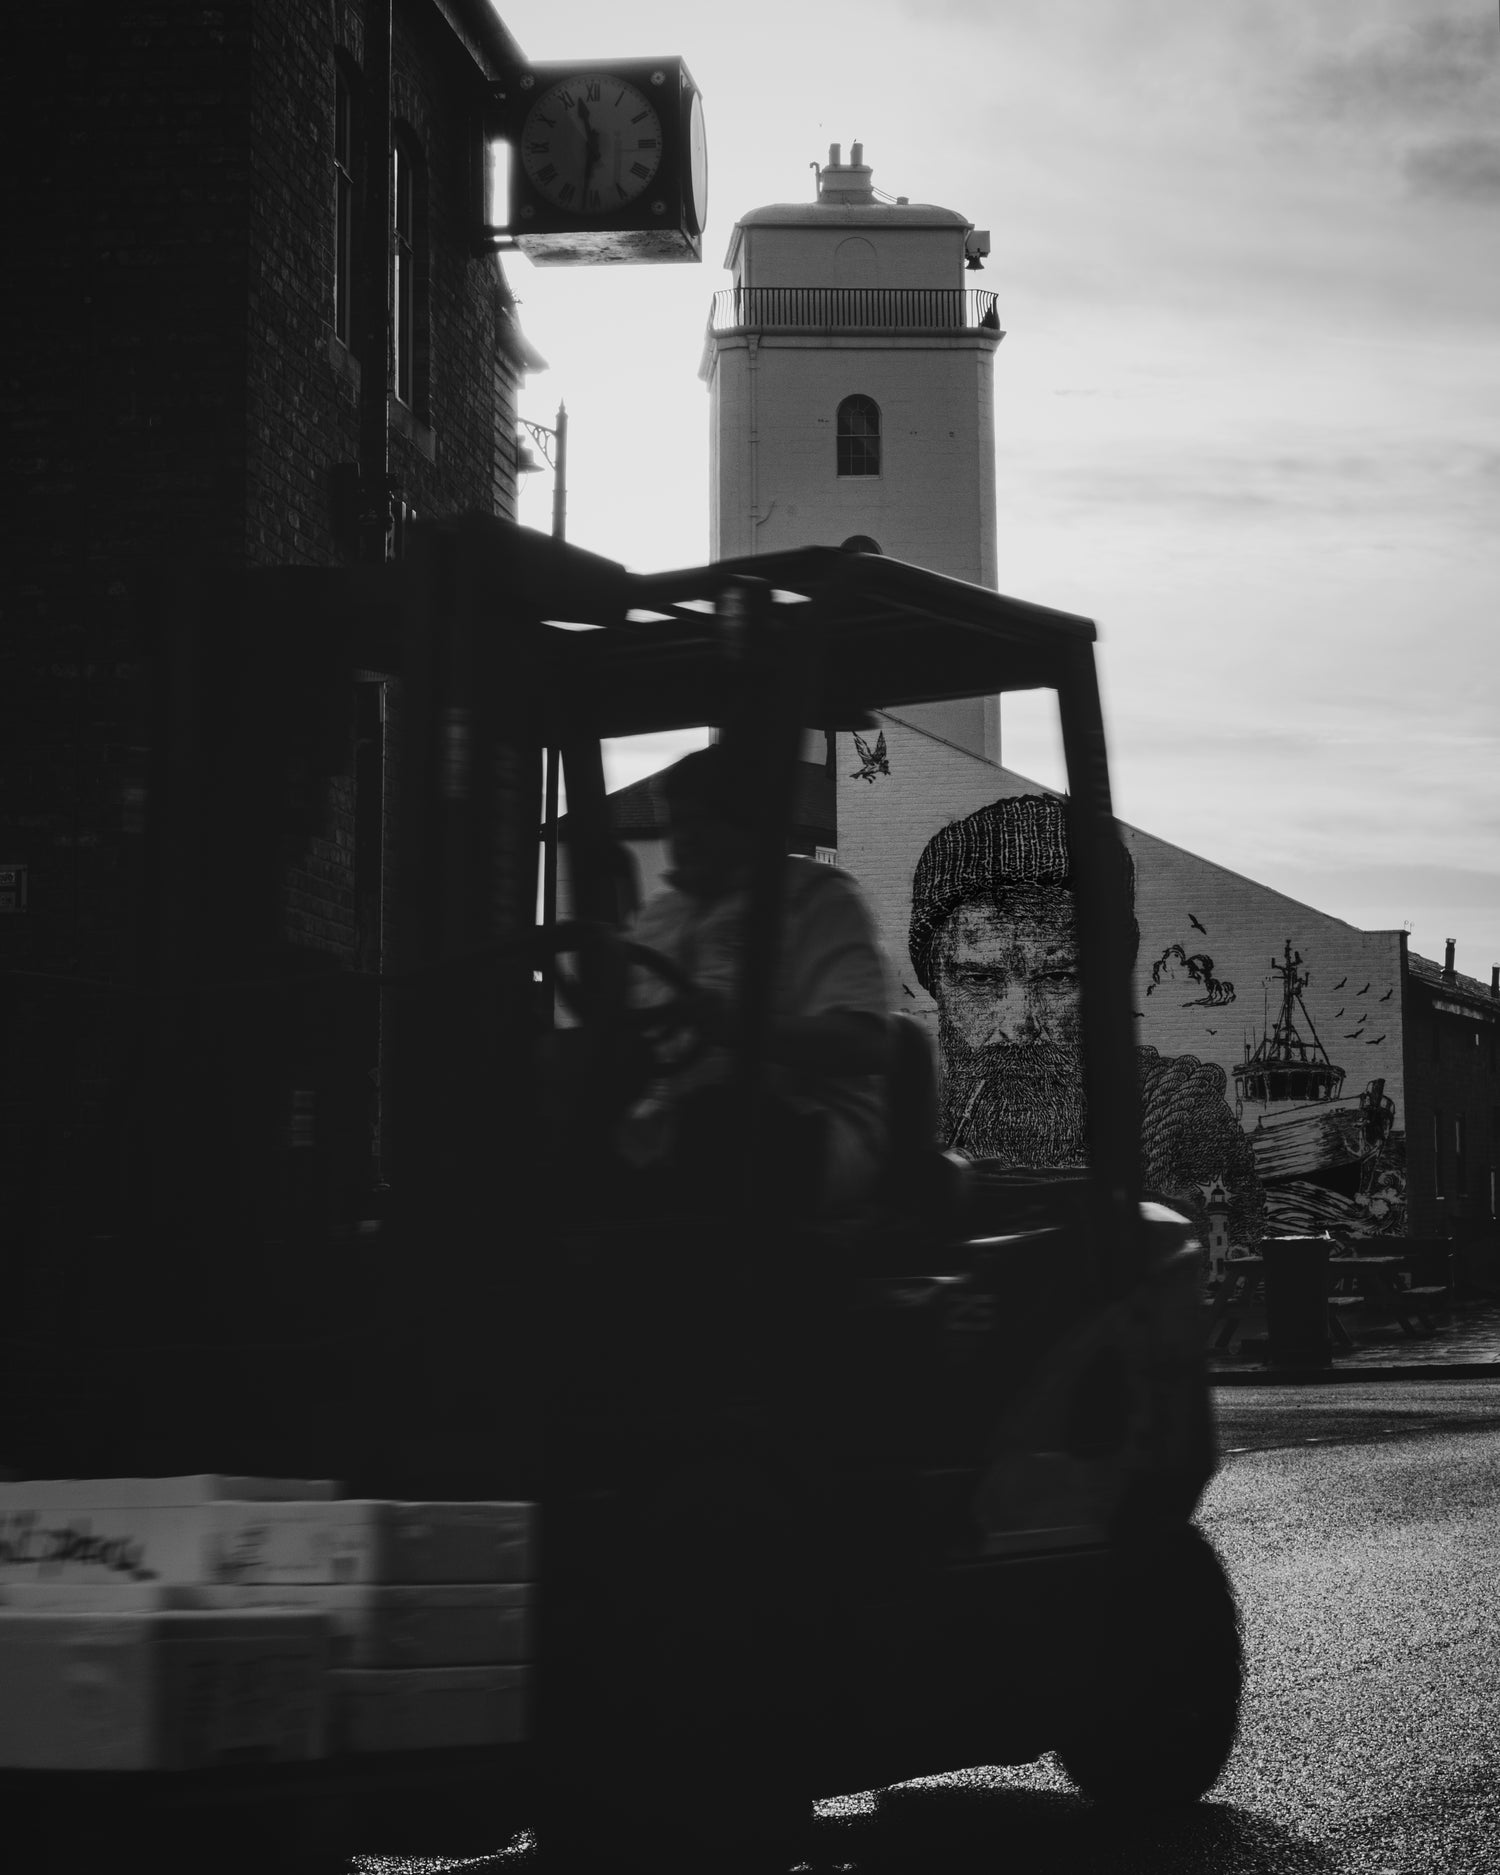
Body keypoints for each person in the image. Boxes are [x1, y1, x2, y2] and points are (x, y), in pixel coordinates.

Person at [908, 792, 1262, 1248]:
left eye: (1058, 978)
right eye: (978, 979)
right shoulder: (904, 1125)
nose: (1019, 1026)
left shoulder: (1177, 1119)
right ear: (936, 982)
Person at [623, 745, 891, 1216]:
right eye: (678, 823)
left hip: (810, 1130)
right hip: (674, 1127)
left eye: (703, 822)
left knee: (718, 1125)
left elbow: (864, 1042)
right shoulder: (659, 917)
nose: (686, 840)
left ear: (749, 823)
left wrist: (738, 1028)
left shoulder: (816, 899)